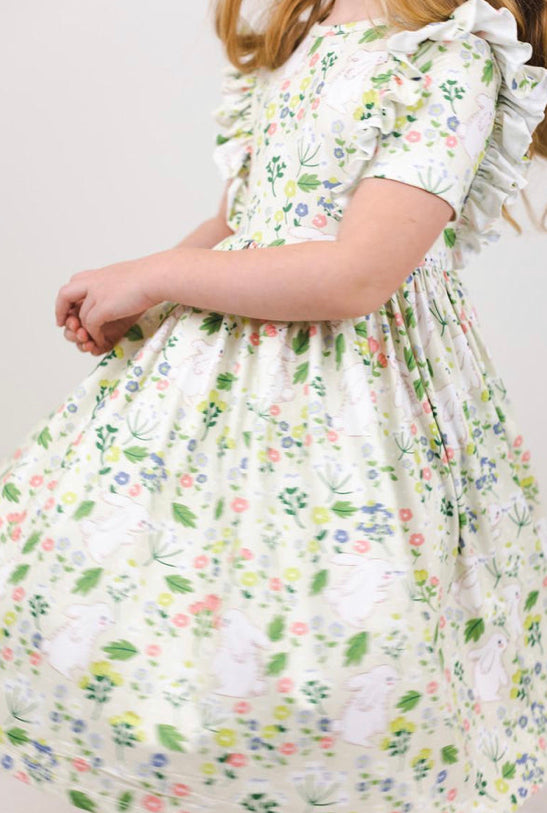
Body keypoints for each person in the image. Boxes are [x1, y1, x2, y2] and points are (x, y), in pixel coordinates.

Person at [1, 0, 547, 811]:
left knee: (342, 640)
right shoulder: (306, 36)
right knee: (185, 614)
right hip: (224, 388)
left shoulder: (448, 58)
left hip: (357, 405)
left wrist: (155, 276)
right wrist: (142, 293)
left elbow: (355, 275)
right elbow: (244, 220)